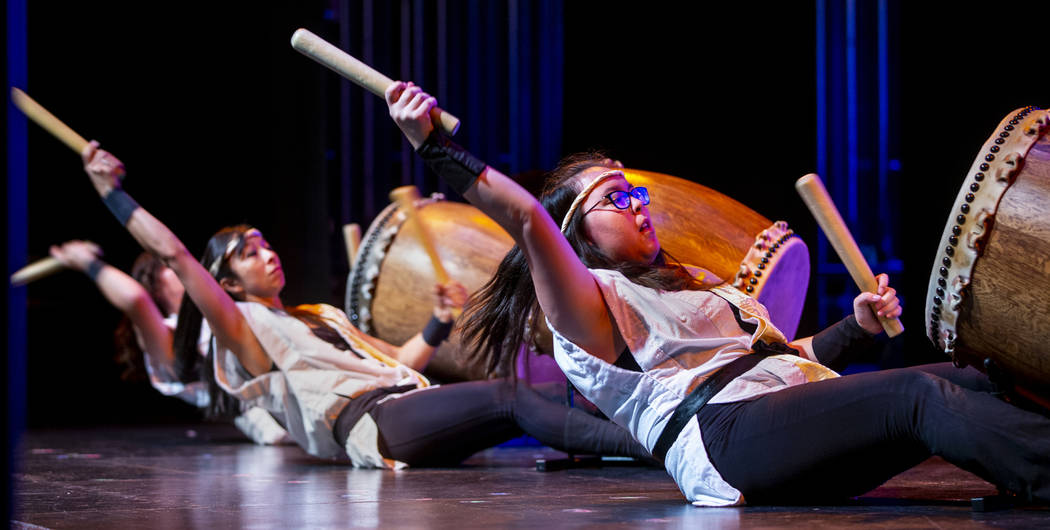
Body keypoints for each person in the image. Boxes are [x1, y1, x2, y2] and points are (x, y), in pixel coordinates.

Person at [384, 81, 1050, 505]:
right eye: (616, 198)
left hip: (778, 412)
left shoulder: (690, 287)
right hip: (726, 440)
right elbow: (527, 218)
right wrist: (433, 145)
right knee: (916, 396)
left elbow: (780, 356)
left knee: (981, 376)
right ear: (576, 229)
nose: (639, 205)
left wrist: (856, 327)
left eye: (637, 192)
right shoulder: (587, 306)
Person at [76, 140, 653, 469]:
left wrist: (438, 320)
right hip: (373, 426)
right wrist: (113, 194)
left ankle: (649, 426)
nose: (268, 254)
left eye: (265, 243)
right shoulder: (244, 330)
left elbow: (402, 357)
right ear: (225, 283)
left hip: (403, 405)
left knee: (559, 391)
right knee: (509, 398)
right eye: (249, 253)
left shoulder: (318, 317)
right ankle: (654, 447)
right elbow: (175, 255)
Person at [48, 241, 289, 445]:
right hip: (273, 417)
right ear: (156, 288)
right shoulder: (171, 339)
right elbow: (135, 300)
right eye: (170, 267)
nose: (185, 269)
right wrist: (87, 264)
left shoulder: (226, 312)